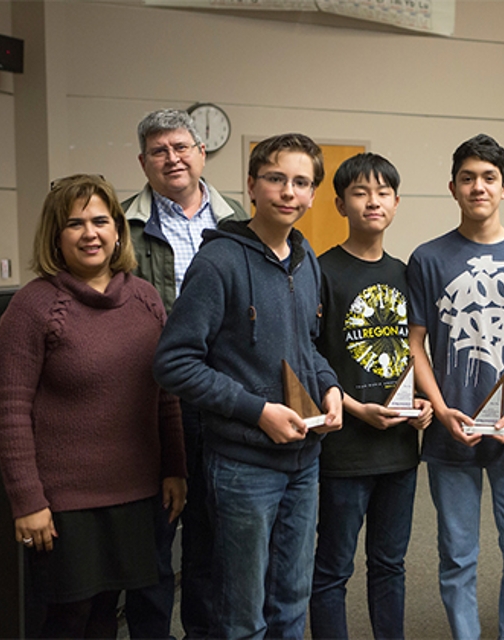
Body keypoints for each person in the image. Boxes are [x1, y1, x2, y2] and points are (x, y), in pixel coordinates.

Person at [153, 133, 344, 639]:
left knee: (290, 605)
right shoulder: (218, 263)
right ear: (252, 185)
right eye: (276, 178)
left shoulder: (307, 261)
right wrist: (258, 411)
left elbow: (308, 347)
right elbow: (174, 363)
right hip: (242, 468)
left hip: (304, 463)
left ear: (312, 194)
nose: (288, 192)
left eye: (301, 183)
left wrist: (328, 387)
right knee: (241, 616)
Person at [0, 174, 187, 638]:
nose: (90, 233)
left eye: (100, 220)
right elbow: (9, 412)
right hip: (64, 506)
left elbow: (166, 396)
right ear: (56, 236)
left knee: (110, 614)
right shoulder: (33, 307)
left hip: (138, 494)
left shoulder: (146, 299)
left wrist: (175, 468)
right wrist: (28, 501)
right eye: (74, 224)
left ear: (118, 230)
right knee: (68, 618)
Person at [407, 134, 504, 640]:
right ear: (452, 187)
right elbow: (415, 344)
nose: (478, 187)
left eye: (488, 178)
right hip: (453, 430)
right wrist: (441, 407)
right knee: (457, 554)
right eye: (467, 178)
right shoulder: (427, 258)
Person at [123, 108, 248, 639]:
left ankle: (203, 629)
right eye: (159, 150)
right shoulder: (123, 223)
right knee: (156, 525)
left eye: (181, 147)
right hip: (149, 395)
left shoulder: (237, 221)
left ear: (201, 153)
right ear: (143, 161)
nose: (172, 158)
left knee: (212, 527)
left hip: (221, 392)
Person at [309, 152, 433, 640]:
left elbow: (415, 352)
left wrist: (424, 402)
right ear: (340, 204)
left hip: (400, 449)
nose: (372, 201)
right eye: (360, 192)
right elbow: (308, 357)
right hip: (344, 447)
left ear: (397, 203)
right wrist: (354, 406)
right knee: (333, 568)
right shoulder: (320, 272)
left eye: (383, 193)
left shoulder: (407, 273)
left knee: (389, 564)